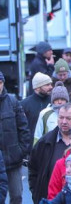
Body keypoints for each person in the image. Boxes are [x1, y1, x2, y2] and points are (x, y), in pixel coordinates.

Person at [29, 103, 71, 204]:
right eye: (61, 118)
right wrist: (36, 193)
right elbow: (33, 169)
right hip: (50, 198)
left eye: (69, 118)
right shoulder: (44, 142)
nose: (64, 122)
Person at [0, 71, 30, 204]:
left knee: (17, 196)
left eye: (0, 83)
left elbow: (23, 128)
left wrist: (20, 151)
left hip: (13, 160)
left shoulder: (12, 102)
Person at [21, 72, 52, 139]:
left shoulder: (53, 102)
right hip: (31, 146)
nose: (51, 87)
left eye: (50, 84)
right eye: (47, 85)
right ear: (37, 88)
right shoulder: (24, 104)